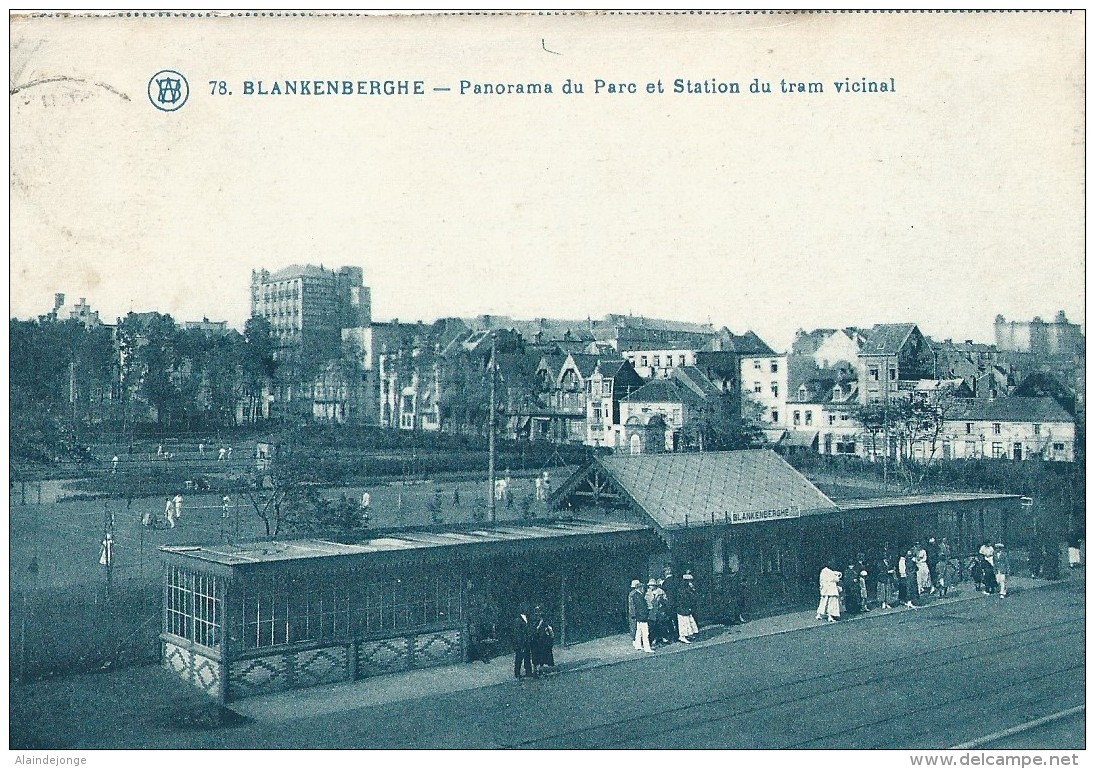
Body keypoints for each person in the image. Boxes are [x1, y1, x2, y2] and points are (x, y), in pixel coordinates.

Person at [628, 579, 653, 652]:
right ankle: (647, 648)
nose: (643, 589)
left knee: (638, 632)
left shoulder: (634, 595)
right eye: (642, 588)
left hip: (639, 617)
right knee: (645, 633)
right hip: (642, 617)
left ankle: (638, 645)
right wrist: (646, 614)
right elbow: (641, 607)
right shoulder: (639, 596)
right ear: (639, 588)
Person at [530, 607, 555, 675]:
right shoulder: (534, 620)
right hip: (535, 640)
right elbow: (534, 629)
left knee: (542, 654)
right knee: (535, 655)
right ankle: (535, 669)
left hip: (542, 640)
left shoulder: (544, 621)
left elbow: (549, 629)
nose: (539, 614)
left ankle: (541, 668)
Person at [676, 573, 699, 643]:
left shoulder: (688, 589)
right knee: (684, 623)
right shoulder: (683, 590)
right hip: (683, 608)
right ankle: (682, 636)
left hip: (686, 608)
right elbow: (685, 599)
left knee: (688, 622)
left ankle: (688, 634)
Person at [512, 607, 534, 678]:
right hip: (521, 643)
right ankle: (517, 673)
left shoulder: (526, 618)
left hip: (526, 642)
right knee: (519, 658)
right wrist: (520, 644)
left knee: (527, 657)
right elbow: (517, 634)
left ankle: (528, 672)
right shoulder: (518, 620)